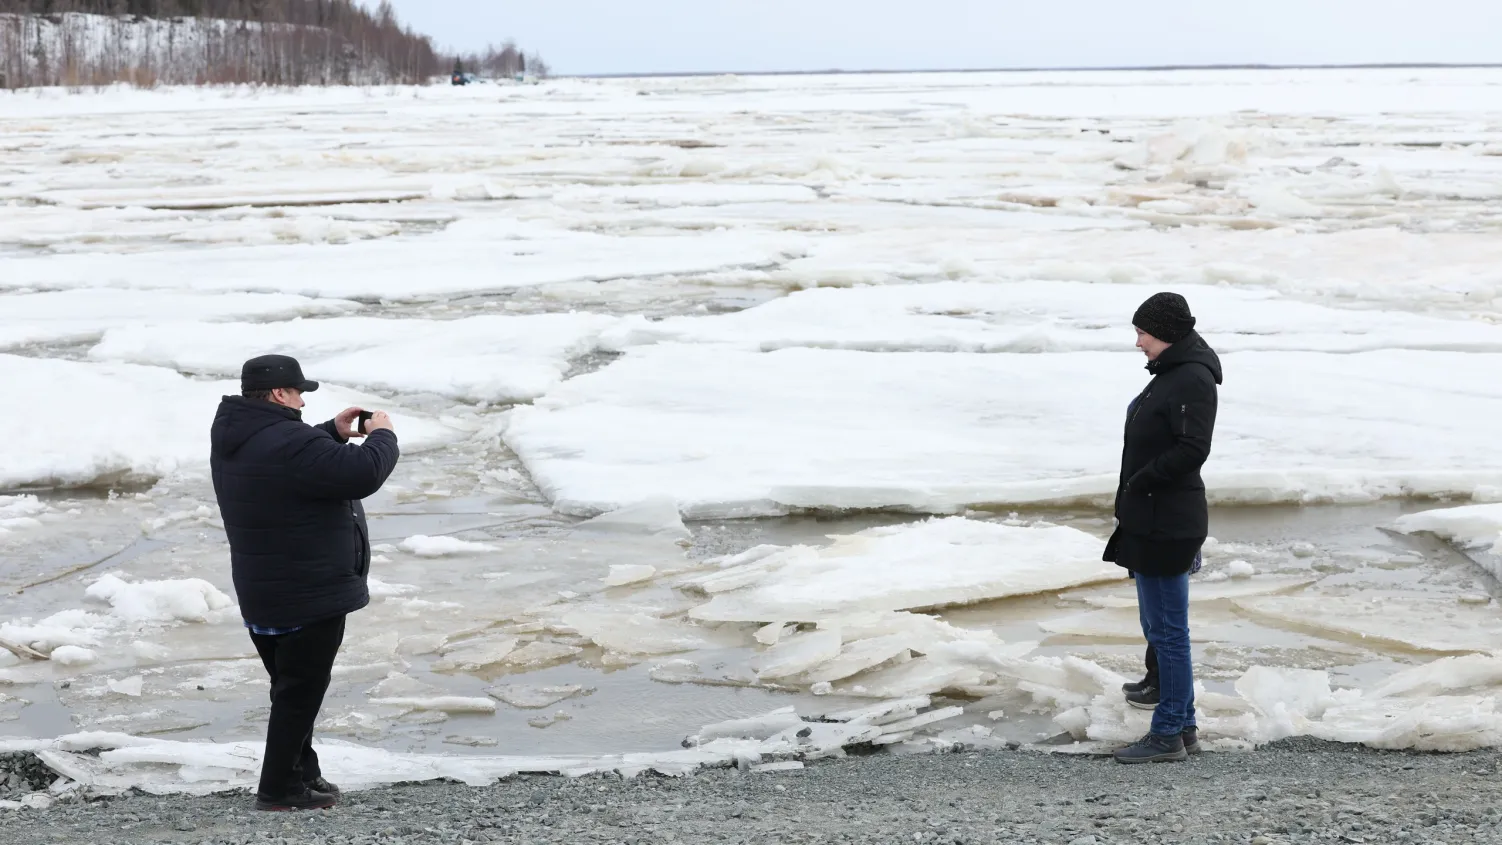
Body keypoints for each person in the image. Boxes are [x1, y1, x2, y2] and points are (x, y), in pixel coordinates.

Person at [210, 355, 400, 810]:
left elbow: (289, 454)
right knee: (299, 694)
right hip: (307, 590)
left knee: (290, 688)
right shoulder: (288, 441)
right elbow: (362, 473)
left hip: (265, 588)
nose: (299, 401)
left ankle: (301, 774)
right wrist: (384, 435)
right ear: (279, 394)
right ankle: (278, 789)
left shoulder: (237, 434)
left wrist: (330, 431)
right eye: (297, 393)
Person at [1103, 293, 1221, 764]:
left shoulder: (1192, 379)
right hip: (1148, 518)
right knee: (1159, 627)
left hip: (1170, 521)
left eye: (1142, 333)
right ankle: (1184, 726)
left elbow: (1194, 449)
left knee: (1170, 632)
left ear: (1166, 333)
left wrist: (1143, 480)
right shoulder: (1170, 375)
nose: (1138, 343)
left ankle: (1168, 733)